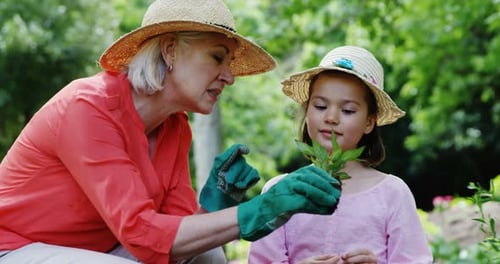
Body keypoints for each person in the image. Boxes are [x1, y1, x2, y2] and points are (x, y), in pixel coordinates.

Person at [0, 0, 343, 263]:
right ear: (169, 50)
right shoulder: (88, 107)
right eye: (217, 57)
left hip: (94, 251)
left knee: (209, 256)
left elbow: (171, 245)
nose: (229, 76)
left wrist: (213, 206)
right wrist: (260, 209)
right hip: (14, 248)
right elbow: (141, 234)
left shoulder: (175, 127)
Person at [248, 46, 433, 264]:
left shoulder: (393, 194)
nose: (331, 117)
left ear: (369, 122)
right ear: (307, 112)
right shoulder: (279, 192)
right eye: (320, 106)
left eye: (348, 111)